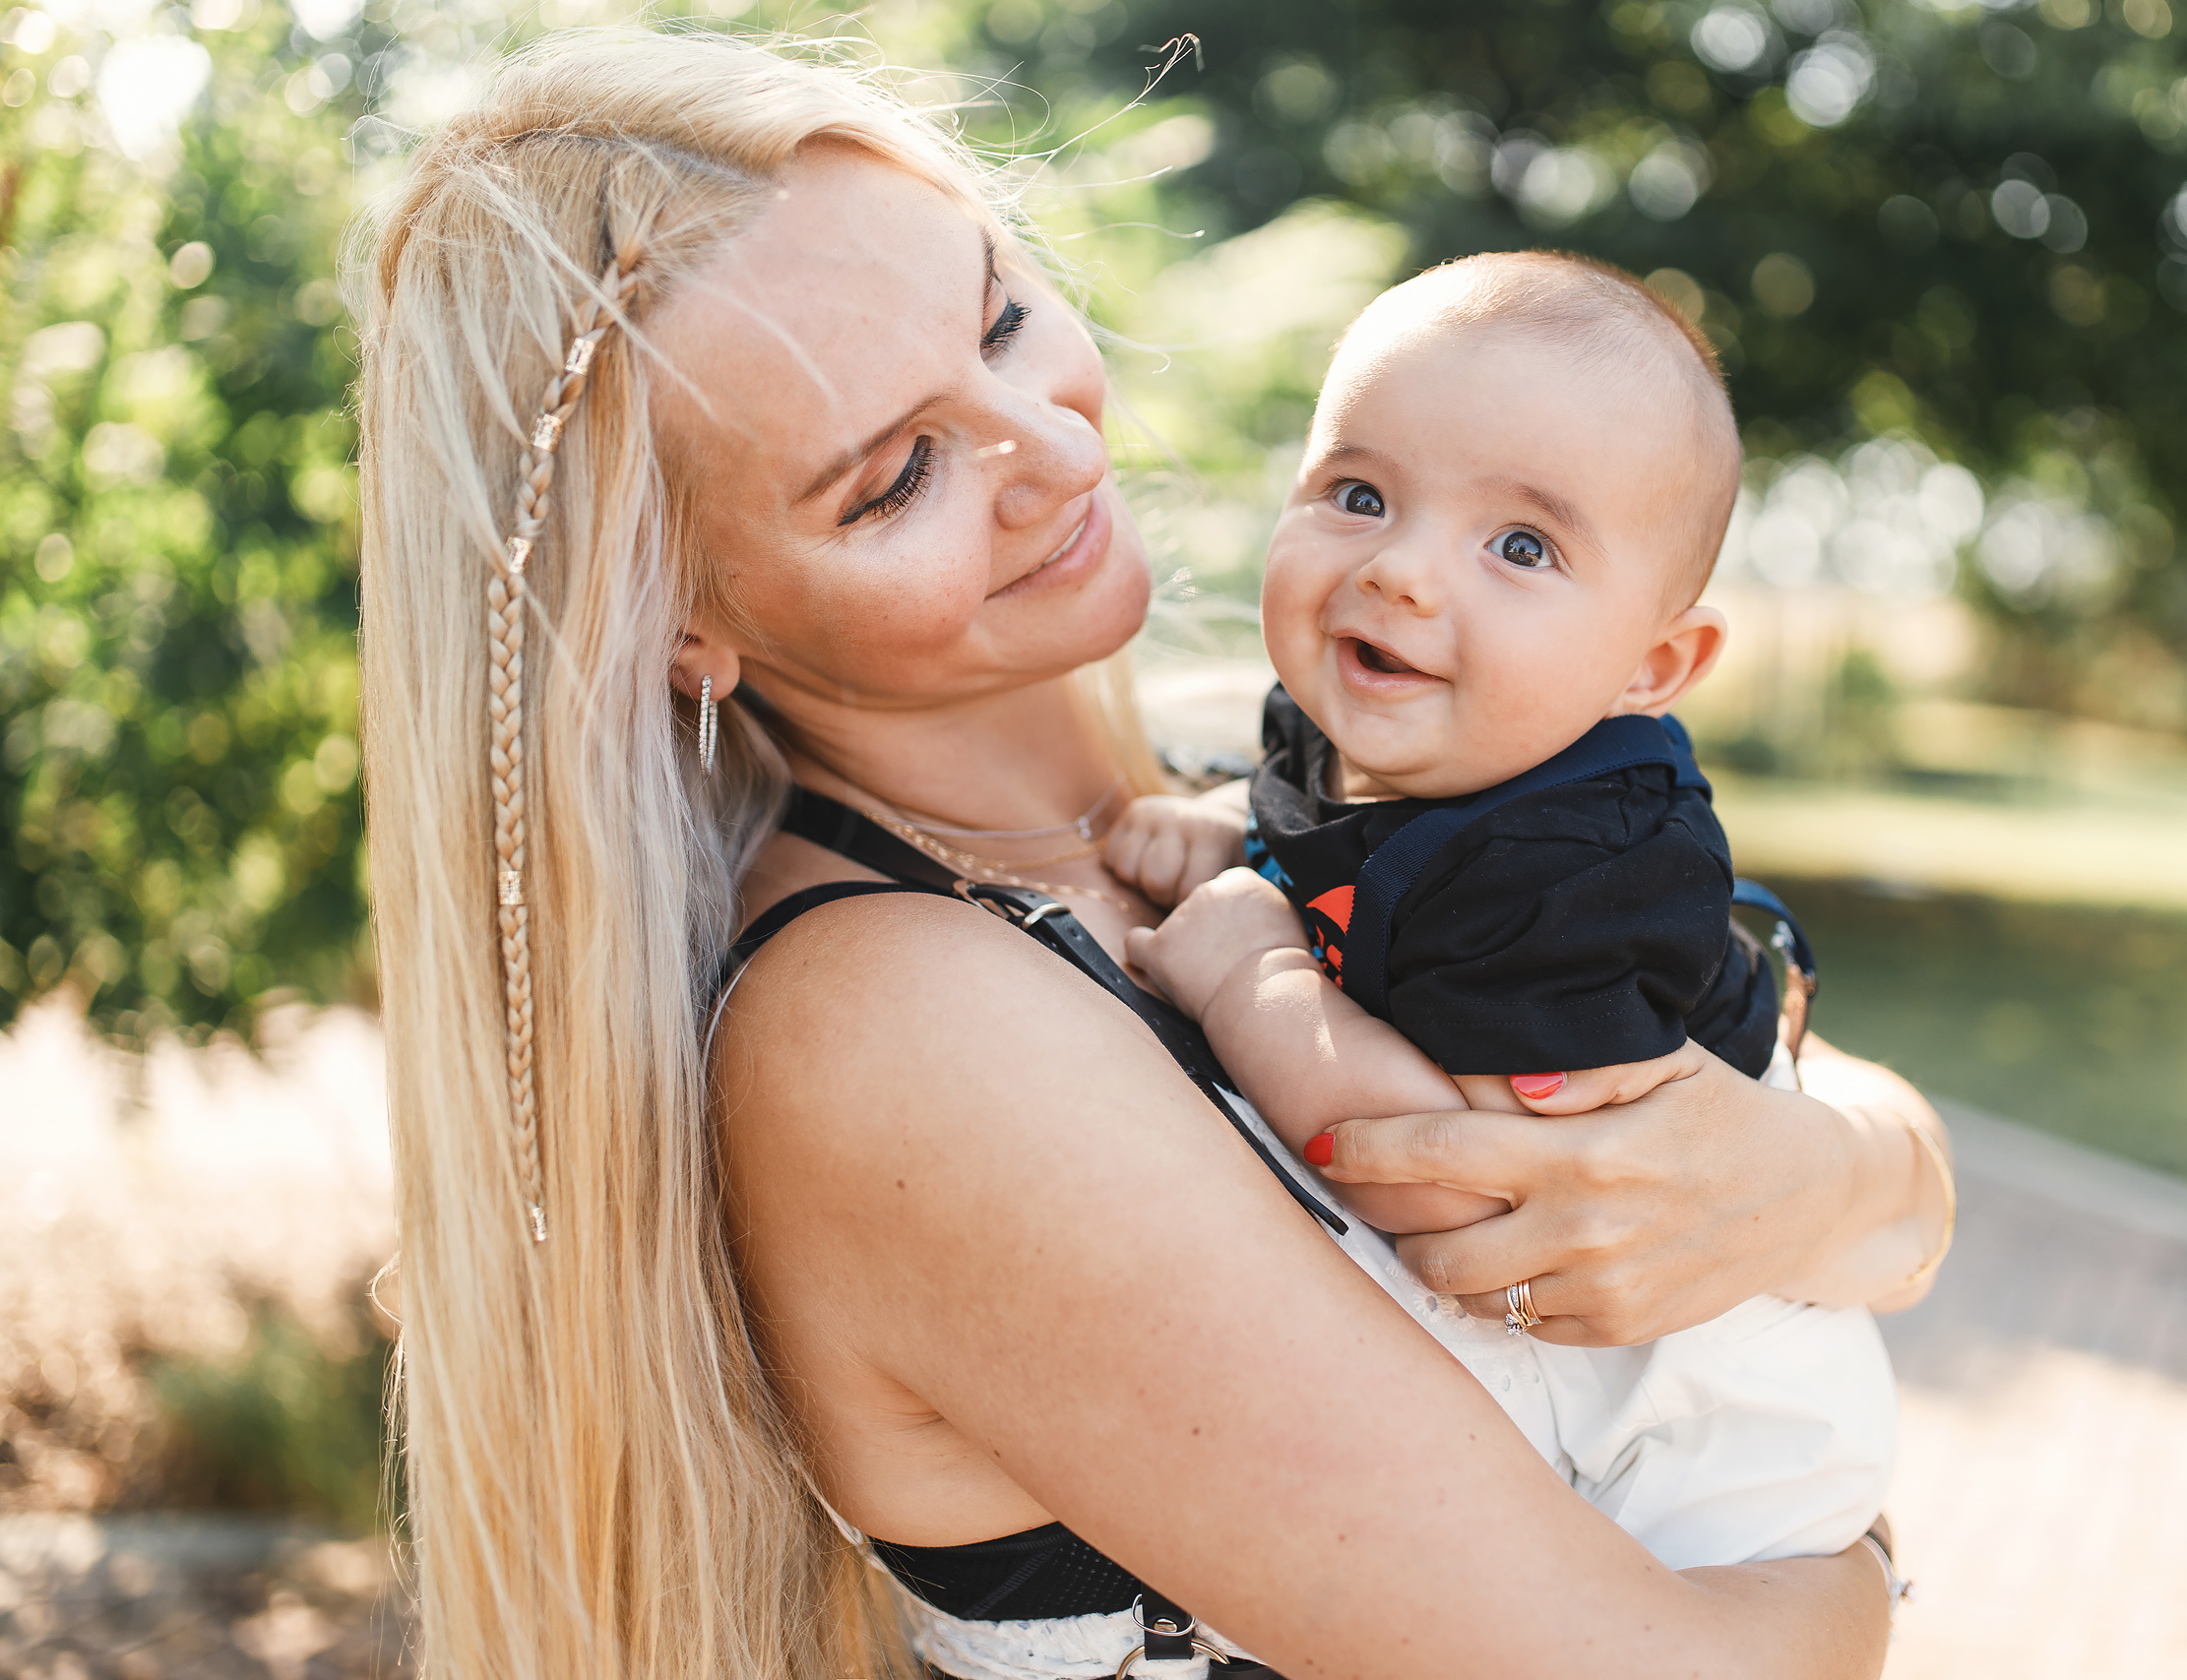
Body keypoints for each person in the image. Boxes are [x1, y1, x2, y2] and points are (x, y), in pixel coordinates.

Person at [352, 28, 1956, 1679]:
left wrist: (1840, 1178)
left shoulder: (1270, 762)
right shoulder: (900, 1026)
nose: (1051, 449)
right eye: (896, 476)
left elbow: (1833, 1119)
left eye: (998, 318)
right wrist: (1858, 1572)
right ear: (678, 621)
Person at [1117, 251, 1926, 1574]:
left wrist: (1250, 968)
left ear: (1651, 666)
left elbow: (1448, 1175)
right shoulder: (1357, 709)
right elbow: (1320, 830)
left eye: (1521, 546)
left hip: (1707, 1414)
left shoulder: (1560, 867)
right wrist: (1225, 832)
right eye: (1360, 493)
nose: (1402, 575)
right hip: (1569, 1367)